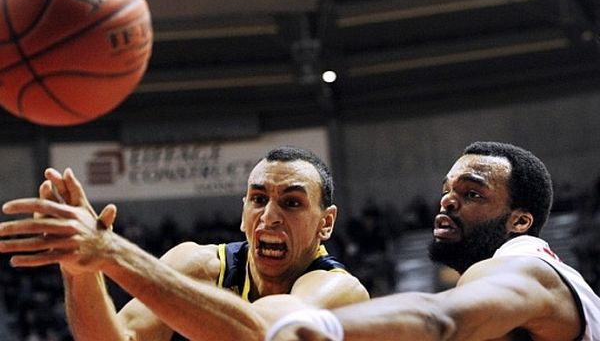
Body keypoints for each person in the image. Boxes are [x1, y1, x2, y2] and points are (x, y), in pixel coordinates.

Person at [0, 146, 369, 341]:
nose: (269, 216)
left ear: (326, 224)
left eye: (291, 203)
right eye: (258, 199)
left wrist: (111, 251)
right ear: (242, 213)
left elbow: (262, 334)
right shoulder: (199, 265)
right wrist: (80, 270)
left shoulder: (339, 292)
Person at [266, 141, 600, 341]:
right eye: (446, 190)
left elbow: (438, 319)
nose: (448, 202)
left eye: (471, 193)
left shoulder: (526, 265)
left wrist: (311, 327)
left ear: (520, 221)